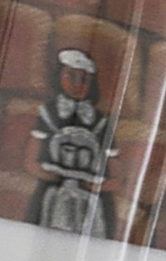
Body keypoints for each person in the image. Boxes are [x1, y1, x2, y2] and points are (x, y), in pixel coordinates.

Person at [32, 49, 115, 236]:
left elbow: (117, 177)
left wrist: (94, 187)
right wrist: (56, 179)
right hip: (53, 193)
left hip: (90, 198)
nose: (77, 84)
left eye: (84, 79)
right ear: (59, 76)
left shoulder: (102, 123)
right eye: (71, 76)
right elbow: (30, 161)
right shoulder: (47, 113)